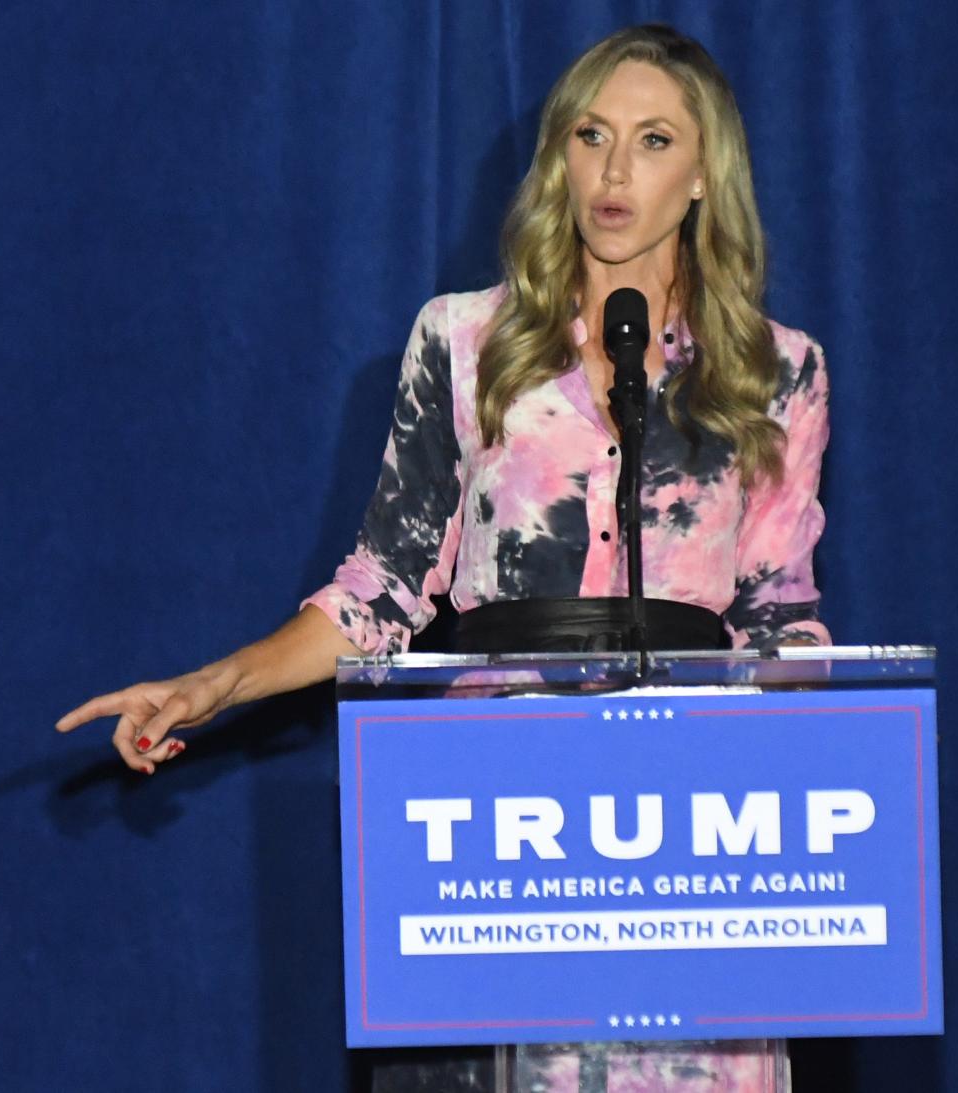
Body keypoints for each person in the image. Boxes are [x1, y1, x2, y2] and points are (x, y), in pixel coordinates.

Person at [58, 22, 830, 775]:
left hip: (694, 773)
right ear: (561, 156)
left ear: (704, 174)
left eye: (654, 140)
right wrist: (214, 685)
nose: (615, 171)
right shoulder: (464, 339)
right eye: (591, 135)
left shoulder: (776, 370)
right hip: (494, 773)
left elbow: (778, 617)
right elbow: (383, 590)